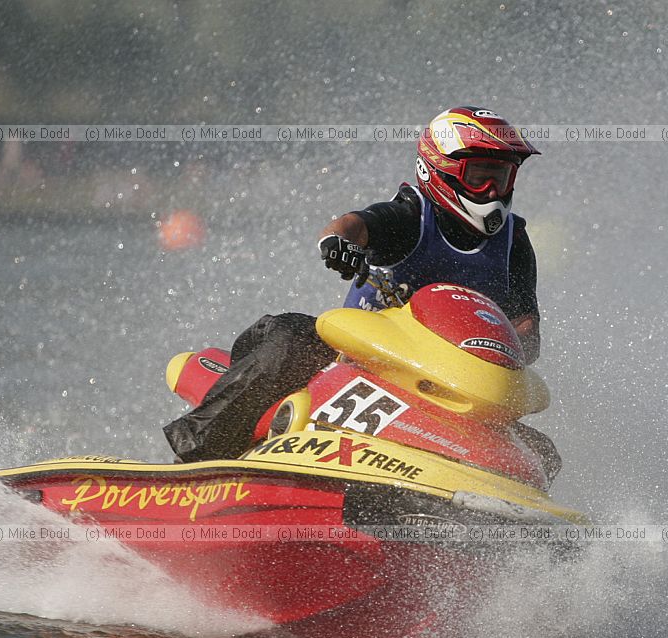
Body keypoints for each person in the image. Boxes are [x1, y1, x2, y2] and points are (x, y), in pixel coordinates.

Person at [164, 106, 542, 463]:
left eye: (502, 176)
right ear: (439, 171)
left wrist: (498, 349)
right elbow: (351, 225)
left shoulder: (514, 244)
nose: (493, 190)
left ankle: (501, 510)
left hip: (443, 387)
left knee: (539, 451)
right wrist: (336, 244)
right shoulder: (410, 217)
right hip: (355, 361)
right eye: (480, 176)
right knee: (291, 337)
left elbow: (526, 331)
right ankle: (197, 452)